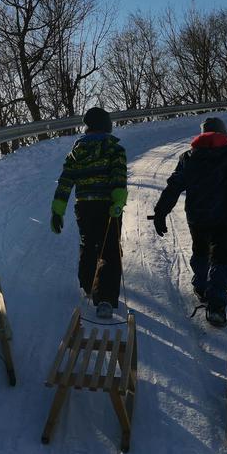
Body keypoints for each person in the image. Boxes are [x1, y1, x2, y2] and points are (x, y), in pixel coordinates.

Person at [150, 117, 227, 327]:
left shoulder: (189, 156)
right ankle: (216, 305)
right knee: (221, 256)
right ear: (224, 133)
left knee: (201, 251)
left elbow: (174, 186)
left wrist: (161, 212)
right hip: (226, 217)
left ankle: (202, 286)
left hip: (198, 216)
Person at [50, 107, 128, 319]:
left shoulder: (77, 151)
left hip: (84, 206)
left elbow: (66, 181)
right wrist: (118, 200)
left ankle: (87, 284)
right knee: (109, 249)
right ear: (107, 126)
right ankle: (104, 298)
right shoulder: (114, 149)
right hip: (108, 206)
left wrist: (58, 210)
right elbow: (119, 176)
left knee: (89, 243)